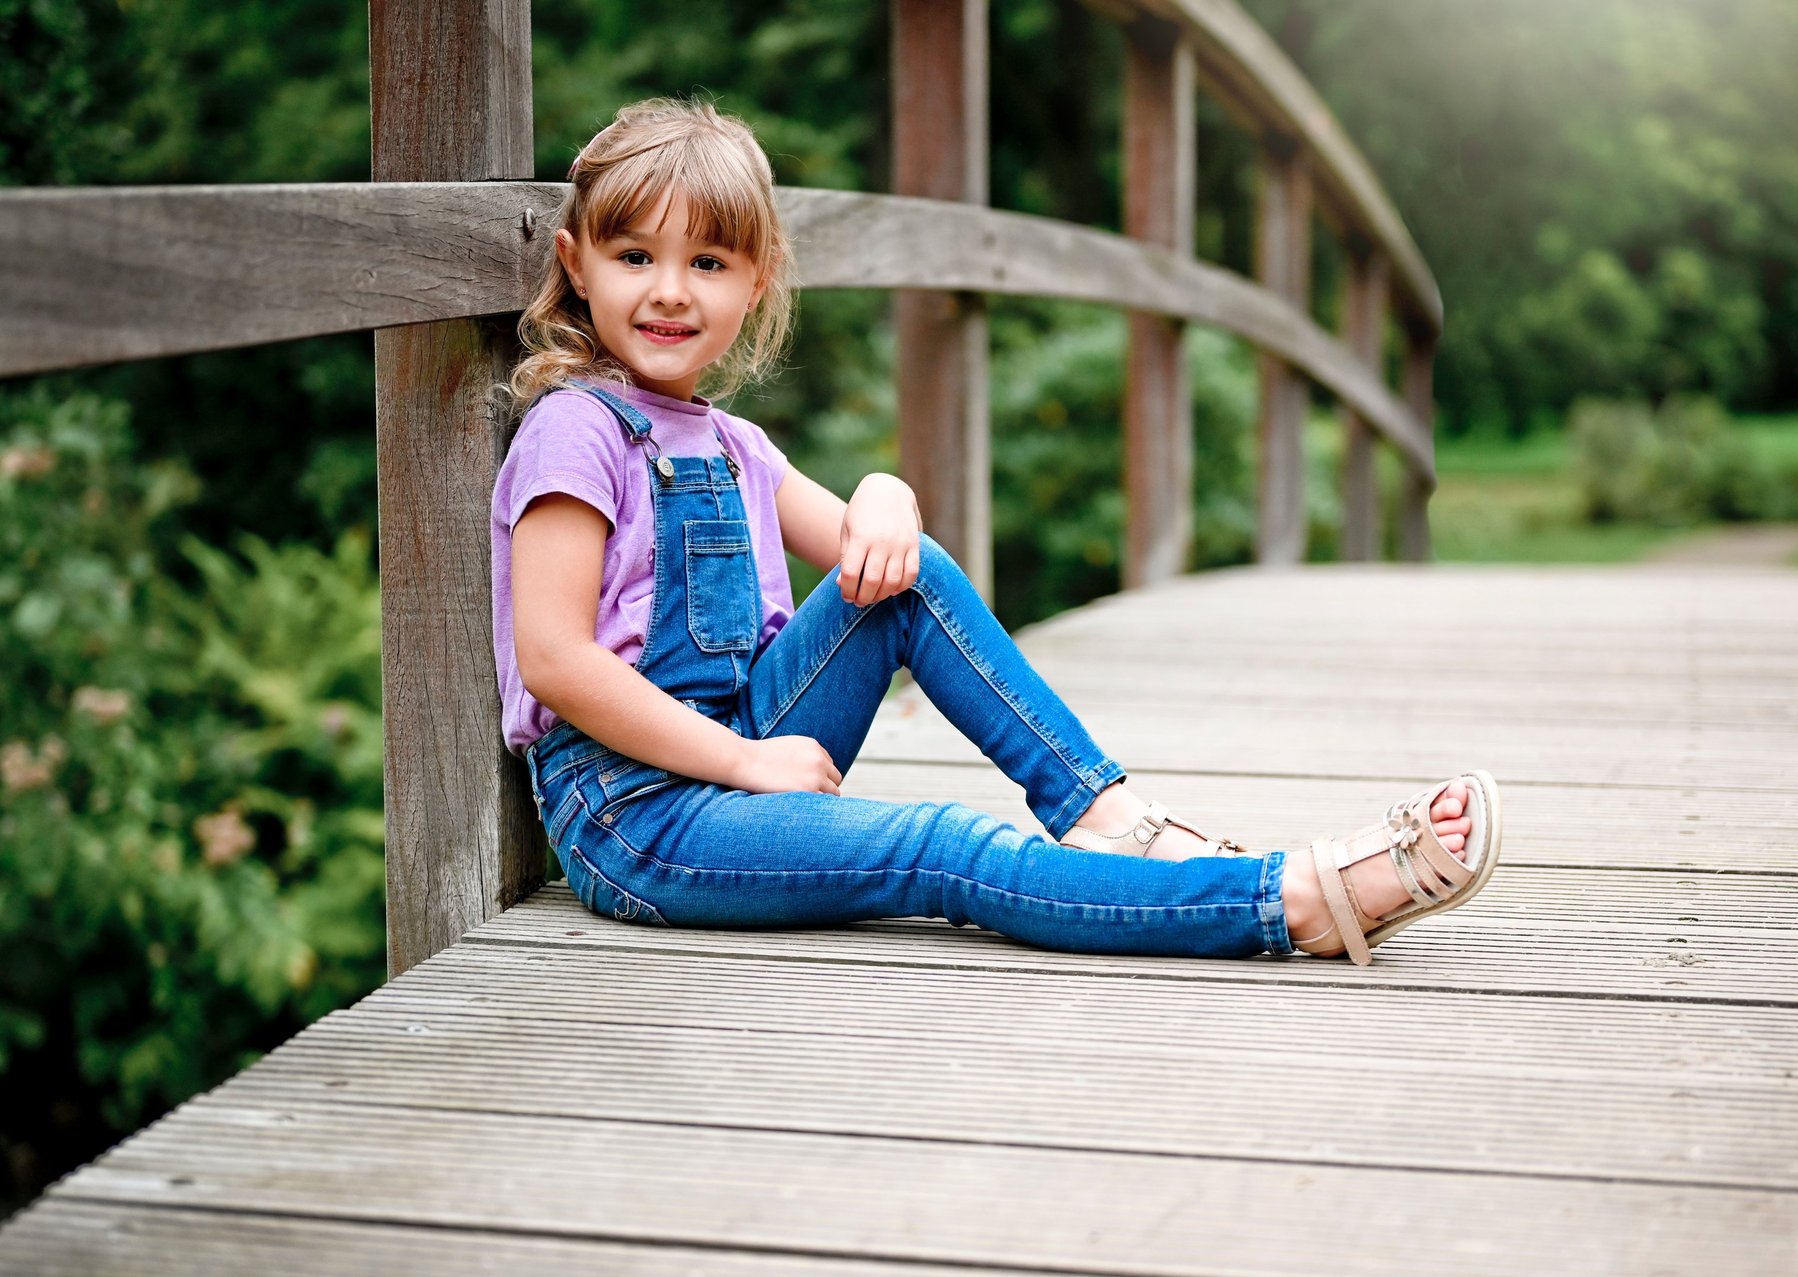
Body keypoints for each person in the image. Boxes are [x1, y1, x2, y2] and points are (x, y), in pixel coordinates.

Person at [491, 97, 1502, 966]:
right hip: (639, 817)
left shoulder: (735, 444)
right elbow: (555, 659)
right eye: (635, 256)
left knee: (905, 573)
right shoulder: (574, 429)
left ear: (754, 282)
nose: (670, 289)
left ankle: (1105, 815)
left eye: (706, 260)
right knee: (943, 844)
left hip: (744, 748)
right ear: (579, 265)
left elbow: (867, 554)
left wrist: (886, 491)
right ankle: (1282, 904)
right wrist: (748, 762)